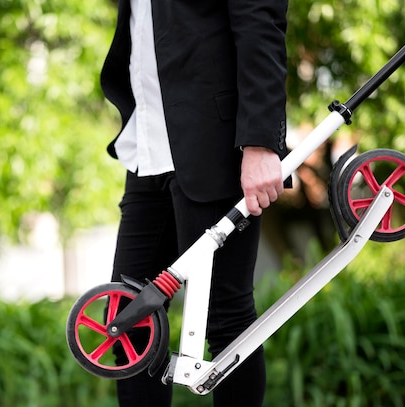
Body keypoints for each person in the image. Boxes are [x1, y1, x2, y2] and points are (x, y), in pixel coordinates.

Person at [100, 1, 289, 406]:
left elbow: (260, 19)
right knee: (130, 324)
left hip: (216, 145)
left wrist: (260, 141)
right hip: (147, 147)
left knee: (227, 326)